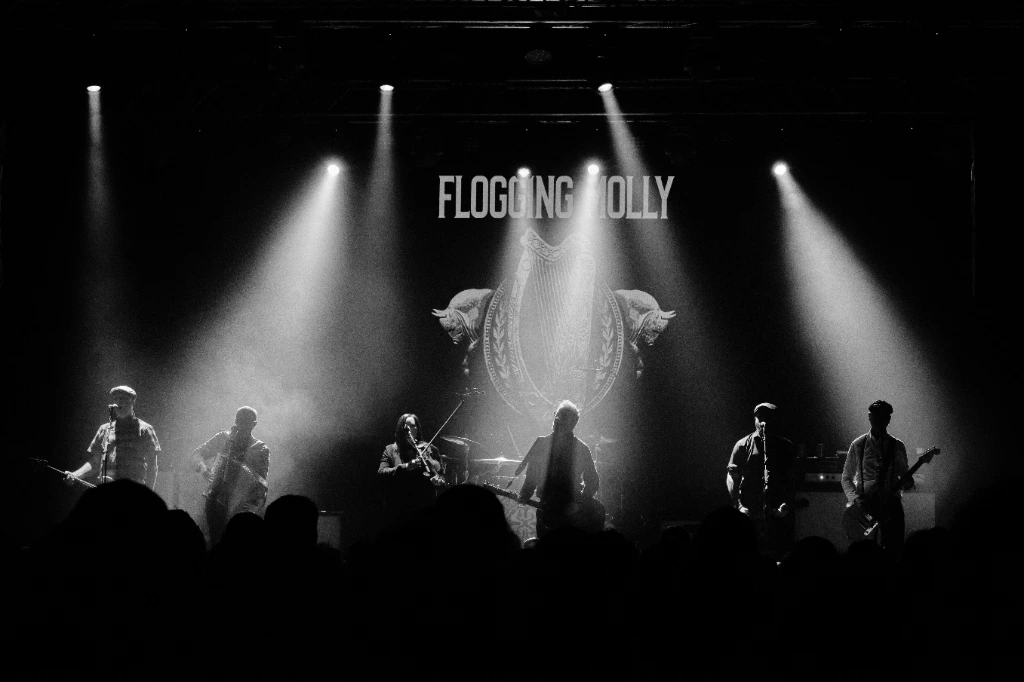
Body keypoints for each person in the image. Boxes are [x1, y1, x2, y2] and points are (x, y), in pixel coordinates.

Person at [515, 400, 602, 536]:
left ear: (573, 424)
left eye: (563, 419)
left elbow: (593, 481)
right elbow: (532, 475)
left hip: (571, 514)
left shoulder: (581, 448)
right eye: (557, 417)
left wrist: (578, 504)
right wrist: (524, 494)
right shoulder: (541, 443)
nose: (557, 421)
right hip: (546, 509)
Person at [841, 399, 912, 557]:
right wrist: (856, 499)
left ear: (888, 419)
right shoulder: (858, 445)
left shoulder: (897, 446)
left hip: (891, 504)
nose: (879, 421)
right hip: (865, 504)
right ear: (869, 417)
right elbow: (846, 478)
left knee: (894, 549)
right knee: (863, 552)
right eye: (875, 417)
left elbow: (904, 474)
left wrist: (908, 482)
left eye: (883, 417)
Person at [726, 402, 797, 558]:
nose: (763, 422)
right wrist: (738, 505)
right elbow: (732, 476)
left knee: (779, 553)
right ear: (755, 419)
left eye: (768, 418)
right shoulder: (743, 445)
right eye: (760, 418)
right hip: (750, 511)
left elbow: (792, 479)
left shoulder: (786, 446)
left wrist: (787, 504)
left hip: (777, 512)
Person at [192, 406, 270, 546]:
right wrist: (204, 469)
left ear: (254, 425)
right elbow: (196, 454)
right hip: (214, 497)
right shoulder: (223, 438)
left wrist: (251, 491)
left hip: (241, 505)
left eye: (246, 422)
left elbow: (262, 482)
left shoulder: (260, 449)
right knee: (211, 539)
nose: (241, 425)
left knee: (235, 542)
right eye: (239, 421)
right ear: (235, 420)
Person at [66, 385, 161, 489]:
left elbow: (152, 467)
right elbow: (95, 462)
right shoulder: (104, 429)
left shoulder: (145, 429)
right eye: (116, 399)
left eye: (123, 398)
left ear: (133, 400)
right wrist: (76, 475)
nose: (118, 402)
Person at [377, 413, 445, 530]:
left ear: (417, 428)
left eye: (413, 426)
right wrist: (406, 466)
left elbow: (442, 475)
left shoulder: (430, 448)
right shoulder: (390, 450)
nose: (409, 430)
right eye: (406, 427)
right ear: (400, 430)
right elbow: (382, 472)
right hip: (398, 507)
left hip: (424, 507)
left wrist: (437, 481)